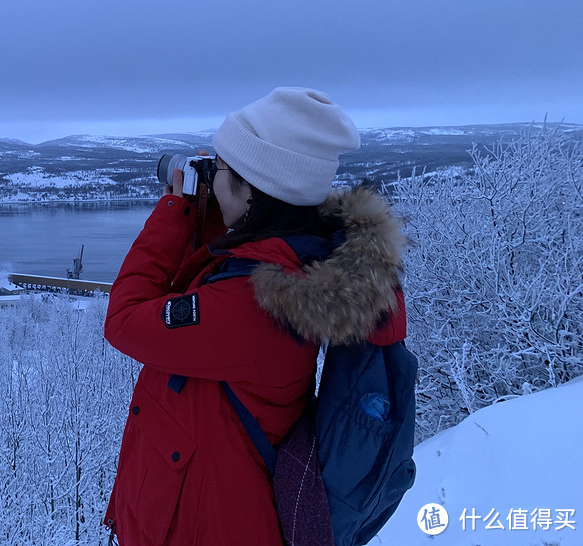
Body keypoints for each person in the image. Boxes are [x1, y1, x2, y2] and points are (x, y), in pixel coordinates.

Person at [102, 87, 407, 546]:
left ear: (253, 190)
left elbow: (124, 319)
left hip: (210, 527)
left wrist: (174, 210)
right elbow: (223, 269)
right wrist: (213, 215)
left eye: (221, 169)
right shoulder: (296, 262)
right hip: (218, 512)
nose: (214, 178)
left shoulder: (253, 304)